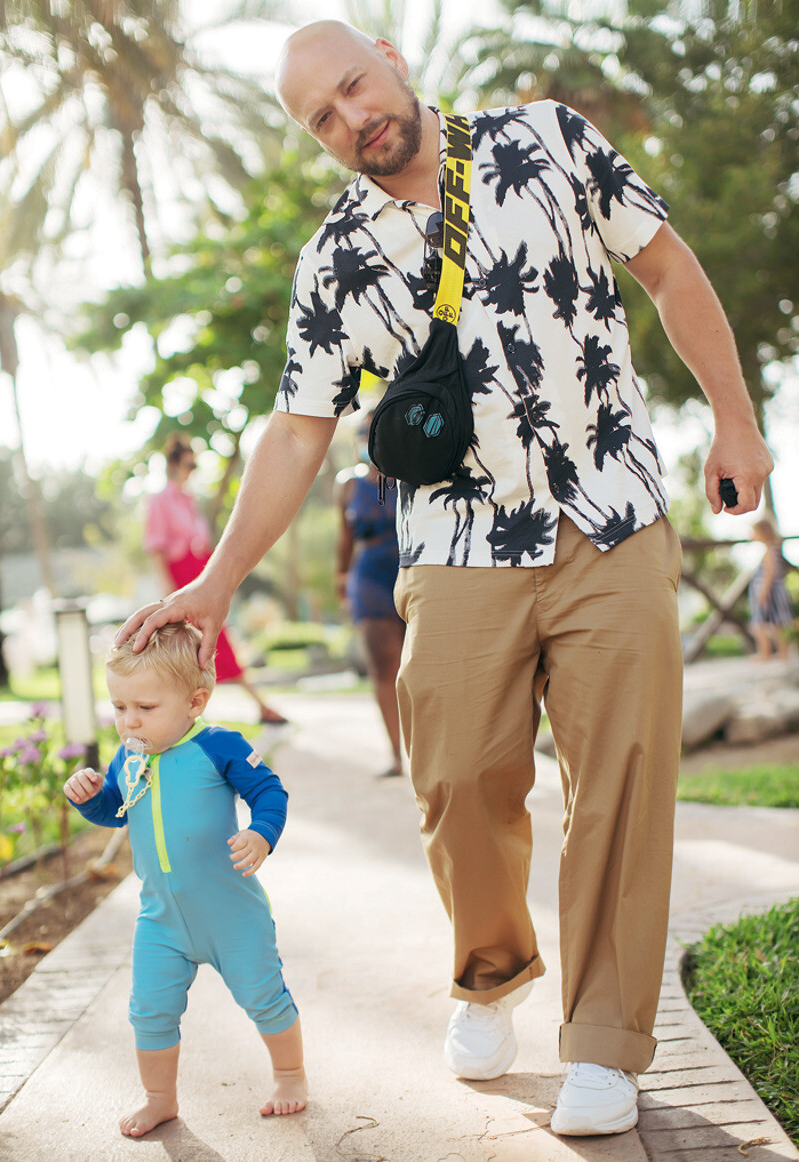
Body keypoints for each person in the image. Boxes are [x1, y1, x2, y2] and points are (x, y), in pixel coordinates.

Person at [117, 22, 774, 1138]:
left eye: (351, 87)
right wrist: (219, 580)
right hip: (455, 546)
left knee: (619, 777)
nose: (348, 119)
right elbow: (294, 430)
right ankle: (488, 971)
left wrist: (734, 419)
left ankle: (604, 1041)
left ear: (392, 60)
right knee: (458, 776)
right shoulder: (334, 257)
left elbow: (663, 264)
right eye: (319, 118)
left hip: (608, 512)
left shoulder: (547, 142)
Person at [63, 622, 306, 1138]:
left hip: (230, 915)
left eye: (145, 709)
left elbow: (269, 793)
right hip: (161, 920)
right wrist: (91, 799)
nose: (129, 722)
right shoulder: (129, 757)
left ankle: (290, 1077)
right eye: (120, 707)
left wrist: (261, 835)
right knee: (148, 1011)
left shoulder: (219, 746)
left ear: (195, 701)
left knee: (264, 997)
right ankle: (160, 1099)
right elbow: (117, 811)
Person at [144, 433, 288, 725]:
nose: (192, 471)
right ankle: (178, 715)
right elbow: (157, 549)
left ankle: (251, 706)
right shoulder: (160, 501)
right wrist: (169, 591)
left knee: (215, 639)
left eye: (195, 466)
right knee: (187, 647)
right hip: (180, 577)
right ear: (173, 464)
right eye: (189, 465)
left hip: (199, 573)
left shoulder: (189, 500)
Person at [335, 413, 405, 777]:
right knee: (384, 664)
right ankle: (396, 755)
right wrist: (341, 579)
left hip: (411, 571)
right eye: (362, 432)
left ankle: (428, 751)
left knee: (421, 666)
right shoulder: (348, 484)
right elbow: (343, 539)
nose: (367, 438)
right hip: (370, 579)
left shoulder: (413, 473)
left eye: (374, 431)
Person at [749, 517, 793, 660]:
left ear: (762, 532)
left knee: (761, 624)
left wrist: (763, 592)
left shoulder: (769, 551)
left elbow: (770, 573)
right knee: (777, 623)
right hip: (774, 592)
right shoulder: (774, 549)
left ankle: (765, 653)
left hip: (771, 593)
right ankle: (781, 653)